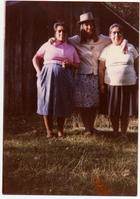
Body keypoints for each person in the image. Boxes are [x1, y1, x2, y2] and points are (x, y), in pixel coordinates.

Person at [66, 12, 128, 136]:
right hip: (82, 76)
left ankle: (92, 126)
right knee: (84, 104)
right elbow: (61, 40)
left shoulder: (102, 39)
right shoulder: (75, 40)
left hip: (96, 77)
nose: (89, 27)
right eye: (86, 25)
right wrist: (52, 40)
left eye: (91, 25)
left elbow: (116, 38)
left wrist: (125, 41)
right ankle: (86, 128)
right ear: (82, 27)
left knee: (94, 104)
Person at [32, 21, 80, 138]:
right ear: (55, 33)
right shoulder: (48, 45)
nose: (62, 33)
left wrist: (69, 64)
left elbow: (77, 64)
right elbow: (36, 58)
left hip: (64, 77)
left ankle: (60, 131)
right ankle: (49, 131)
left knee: (62, 102)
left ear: (67, 33)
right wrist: (39, 72)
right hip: (47, 77)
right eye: (59, 31)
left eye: (64, 31)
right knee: (46, 102)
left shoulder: (71, 48)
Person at [98, 23, 139, 141]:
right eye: (114, 33)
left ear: (122, 34)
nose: (117, 35)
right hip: (112, 85)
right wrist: (101, 84)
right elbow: (101, 68)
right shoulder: (106, 50)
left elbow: (137, 64)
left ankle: (123, 133)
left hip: (129, 84)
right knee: (114, 110)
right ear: (110, 36)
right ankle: (115, 132)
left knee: (125, 111)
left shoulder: (131, 47)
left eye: (119, 32)